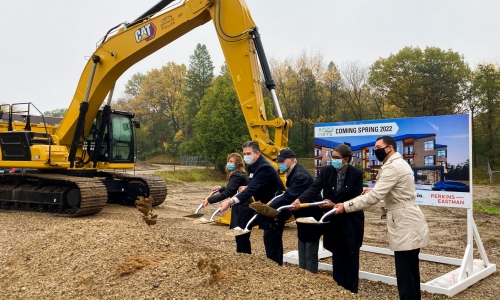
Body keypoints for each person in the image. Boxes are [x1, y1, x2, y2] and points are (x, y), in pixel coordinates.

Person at [334, 136, 429, 300]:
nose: (375, 150)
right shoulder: (398, 164)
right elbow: (396, 192)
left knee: (405, 272)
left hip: (404, 222)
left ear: (389, 148)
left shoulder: (392, 167)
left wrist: (346, 206)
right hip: (409, 219)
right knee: (412, 269)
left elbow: (375, 197)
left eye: (378, 147)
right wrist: (375, 192)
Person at [292, 144, 364, 293]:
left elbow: (356, 199)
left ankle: (351, 290)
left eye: (337, 158)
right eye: (333, 157)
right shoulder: (326, 171)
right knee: (337, 255)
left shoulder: (356, 174)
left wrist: (336, 205)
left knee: (351, 256)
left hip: (350, 221)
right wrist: (300, 200)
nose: (334, 161)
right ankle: (338, 289)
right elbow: (314, 188)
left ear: (346, 159)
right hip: (334, 221)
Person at [219, 141, 286, 265]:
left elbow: (252, 189)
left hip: (276, 207)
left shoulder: (264, 167)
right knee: (269, 238)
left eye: (248, 153)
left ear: (257, 154)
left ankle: (276, 268)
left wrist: (230, 201)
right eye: (244, 153)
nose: (246, 156)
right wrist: (247, 186)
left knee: (272, 241)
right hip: (267, 207)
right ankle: (272, 266)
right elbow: (252, 184)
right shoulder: (254, 166)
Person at [271, 149, 323, 273]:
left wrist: (270, 208)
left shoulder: (300, 175)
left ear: (292, 160)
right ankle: (303, 270)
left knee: (309, 243)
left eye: (283, 161)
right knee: (302, 240)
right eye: (279, 161)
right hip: (302, 214)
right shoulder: (293, 173)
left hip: (311, 214)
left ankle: (310, 273)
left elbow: (289, 196)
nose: (280, 164)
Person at [200, 153, 250, 253]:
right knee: (241, 235)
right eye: (228, 161)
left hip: (242, 207)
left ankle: (243, 257)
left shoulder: (236, 175)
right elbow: (231, 190)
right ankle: (243, 256)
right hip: (243, 206)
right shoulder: (240, 174)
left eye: (231, 161)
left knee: (240, 236)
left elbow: (228, 193)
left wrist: (209, 200)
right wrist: (221, 188)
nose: (228, 163)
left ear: (237, 163)